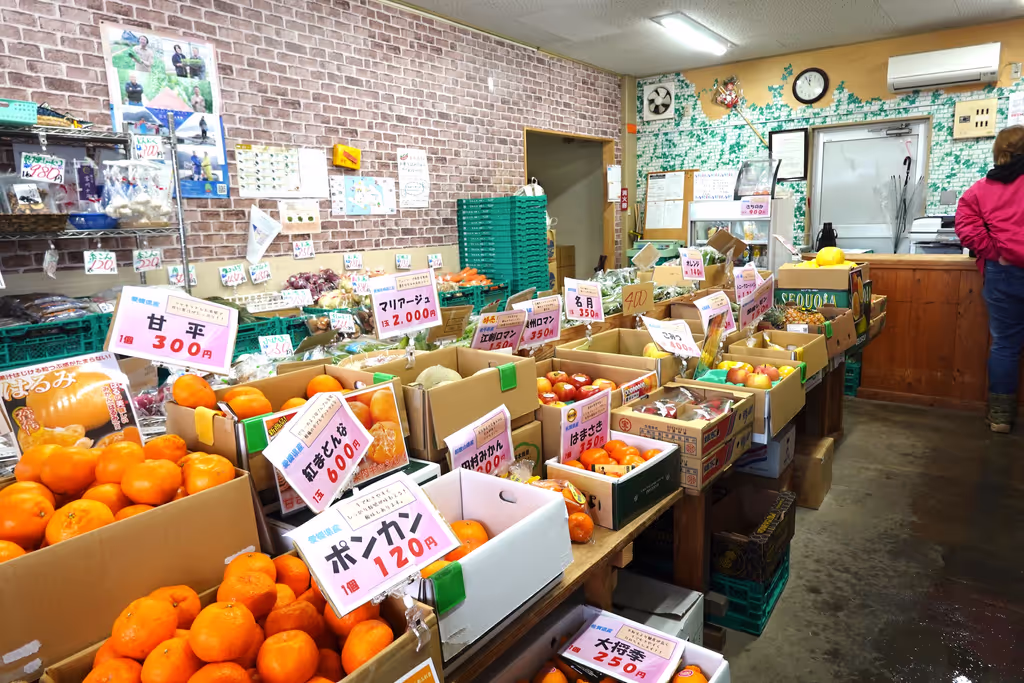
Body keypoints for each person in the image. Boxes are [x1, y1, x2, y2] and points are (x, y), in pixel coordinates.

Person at [955, 125, 1024, 433]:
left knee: (1006, 345)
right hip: (1006, 268)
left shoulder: (980, 189)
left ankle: (1000, 417)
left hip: (1003, 273)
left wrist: (997, 252)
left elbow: (966, 229)